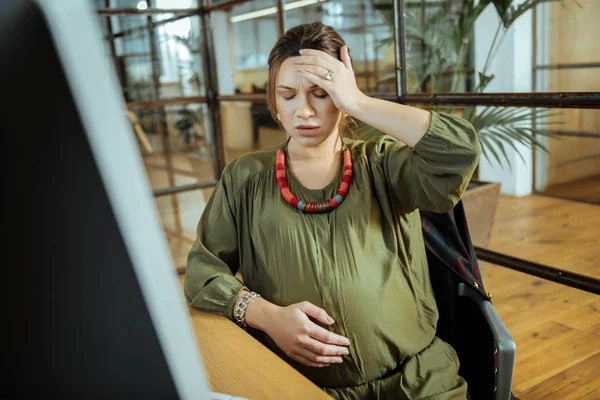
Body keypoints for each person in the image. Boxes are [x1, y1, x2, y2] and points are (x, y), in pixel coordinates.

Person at [184, 21, 481, 400]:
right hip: (300, 386)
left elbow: (458, 153)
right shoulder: (245, 179)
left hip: (417, 379)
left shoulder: (383, 165)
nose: (303, 111)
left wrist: (358, 101)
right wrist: (266, 316)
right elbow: (202, 273)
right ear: (274, 103)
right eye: (288, 95)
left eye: (321, 93)